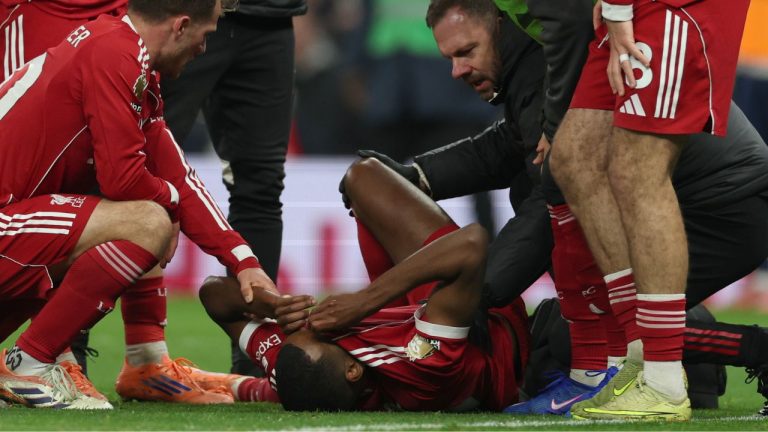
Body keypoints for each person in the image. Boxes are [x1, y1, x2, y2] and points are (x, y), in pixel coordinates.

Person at [362, 0, 768, 416]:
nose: (457, 70)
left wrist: (472, 294)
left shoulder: (554, 52)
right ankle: (641, 369)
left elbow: (543, 207)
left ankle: (742, 351)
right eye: (450, 58)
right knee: (558, 175)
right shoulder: (535, 59)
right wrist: (420, 175)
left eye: (467, 52)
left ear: (500, 24)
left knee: (569, 329)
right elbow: (514, 144)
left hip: (724, 211)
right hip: (704, 201)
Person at [0, 0, 276, 409]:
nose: (204, 49)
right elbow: (124, 178)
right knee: (146, 221)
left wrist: (242, 260)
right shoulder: (115, 54)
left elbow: (176, 173)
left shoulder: (122, 50)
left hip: (14, 229)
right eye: (206, 36)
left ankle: (121, 361)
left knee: (141, 212)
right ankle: (31, 362)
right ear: (181, 26)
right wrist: (170, 206)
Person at [545, 0, 751, 421]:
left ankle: (663, 379)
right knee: (575, 158)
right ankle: (638, 357)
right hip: (635, 8)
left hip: (676, 6)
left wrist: (619, 9)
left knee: (639, 167)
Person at [200, 157, 532, 411]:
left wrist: (274, 306)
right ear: (353, 371)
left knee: (362, 177)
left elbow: (212, 294)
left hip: (411, 317)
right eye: (321, 333)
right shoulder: (425, 362)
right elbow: (472, 244)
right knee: (368, 177)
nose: (312, 322)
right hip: (485, 324)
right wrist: (364, 300)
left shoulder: (295, 365)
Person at [160, 0, 306, 378]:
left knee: (261, 185)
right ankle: (71, 349)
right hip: (183, 10)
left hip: (271, 16)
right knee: (136, 170)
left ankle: (256, 360)